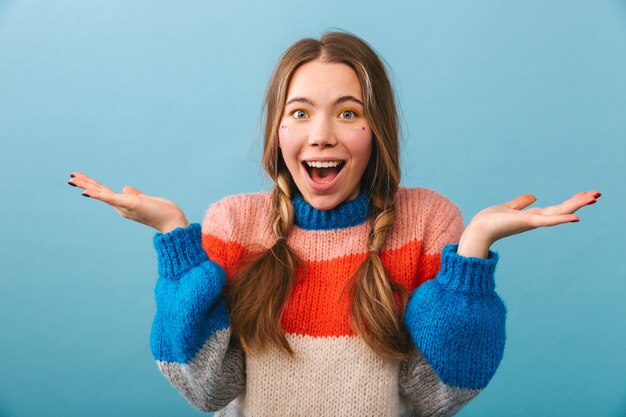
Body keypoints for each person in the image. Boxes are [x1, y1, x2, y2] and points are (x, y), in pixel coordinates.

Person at [67, 31, 601, 417]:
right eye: (300, 113)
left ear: (378, 131)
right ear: (278, 130)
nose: (321, 135)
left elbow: (438, 396)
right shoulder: (234, 223)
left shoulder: (428, 221)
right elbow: (207, 390)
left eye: (348, 113)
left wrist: (474, 252)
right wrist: (177, 242)